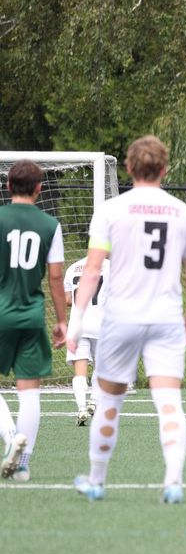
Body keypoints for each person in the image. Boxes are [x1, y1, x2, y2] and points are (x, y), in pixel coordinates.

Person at [69, 135, 186, 503]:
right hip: (165, 318)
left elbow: (92, 271)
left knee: (109, 400)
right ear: (164, 169)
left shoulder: (111, 211)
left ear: (129, 168)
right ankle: (173, 481)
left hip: (121, 318)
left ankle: (97, 480)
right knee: (169, 402)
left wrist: (76, 321)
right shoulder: (184, 213)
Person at [0, 160, 68, 481]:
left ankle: (10, 436)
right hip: (31, 316)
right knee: (29, 392)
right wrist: (63, 322)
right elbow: (56, 279)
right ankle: (22, 463)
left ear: (8, 186)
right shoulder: (51, 225)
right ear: (40, 188)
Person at [64, 254, 110, 426]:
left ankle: (82, 408)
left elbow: (68, 299)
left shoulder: (73, 268)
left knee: (80, 369)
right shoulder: (110, 266)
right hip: (101, 325)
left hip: (78, 325)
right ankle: (94, 401)